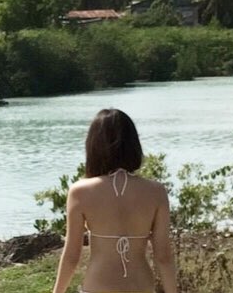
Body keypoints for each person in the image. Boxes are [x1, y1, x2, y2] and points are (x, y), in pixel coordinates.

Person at [52, 108, 178, 293]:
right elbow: (163, 256)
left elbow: (72, 255)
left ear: (93, 146)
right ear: (133, 145)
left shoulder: (80, 192)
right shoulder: (156, 191)